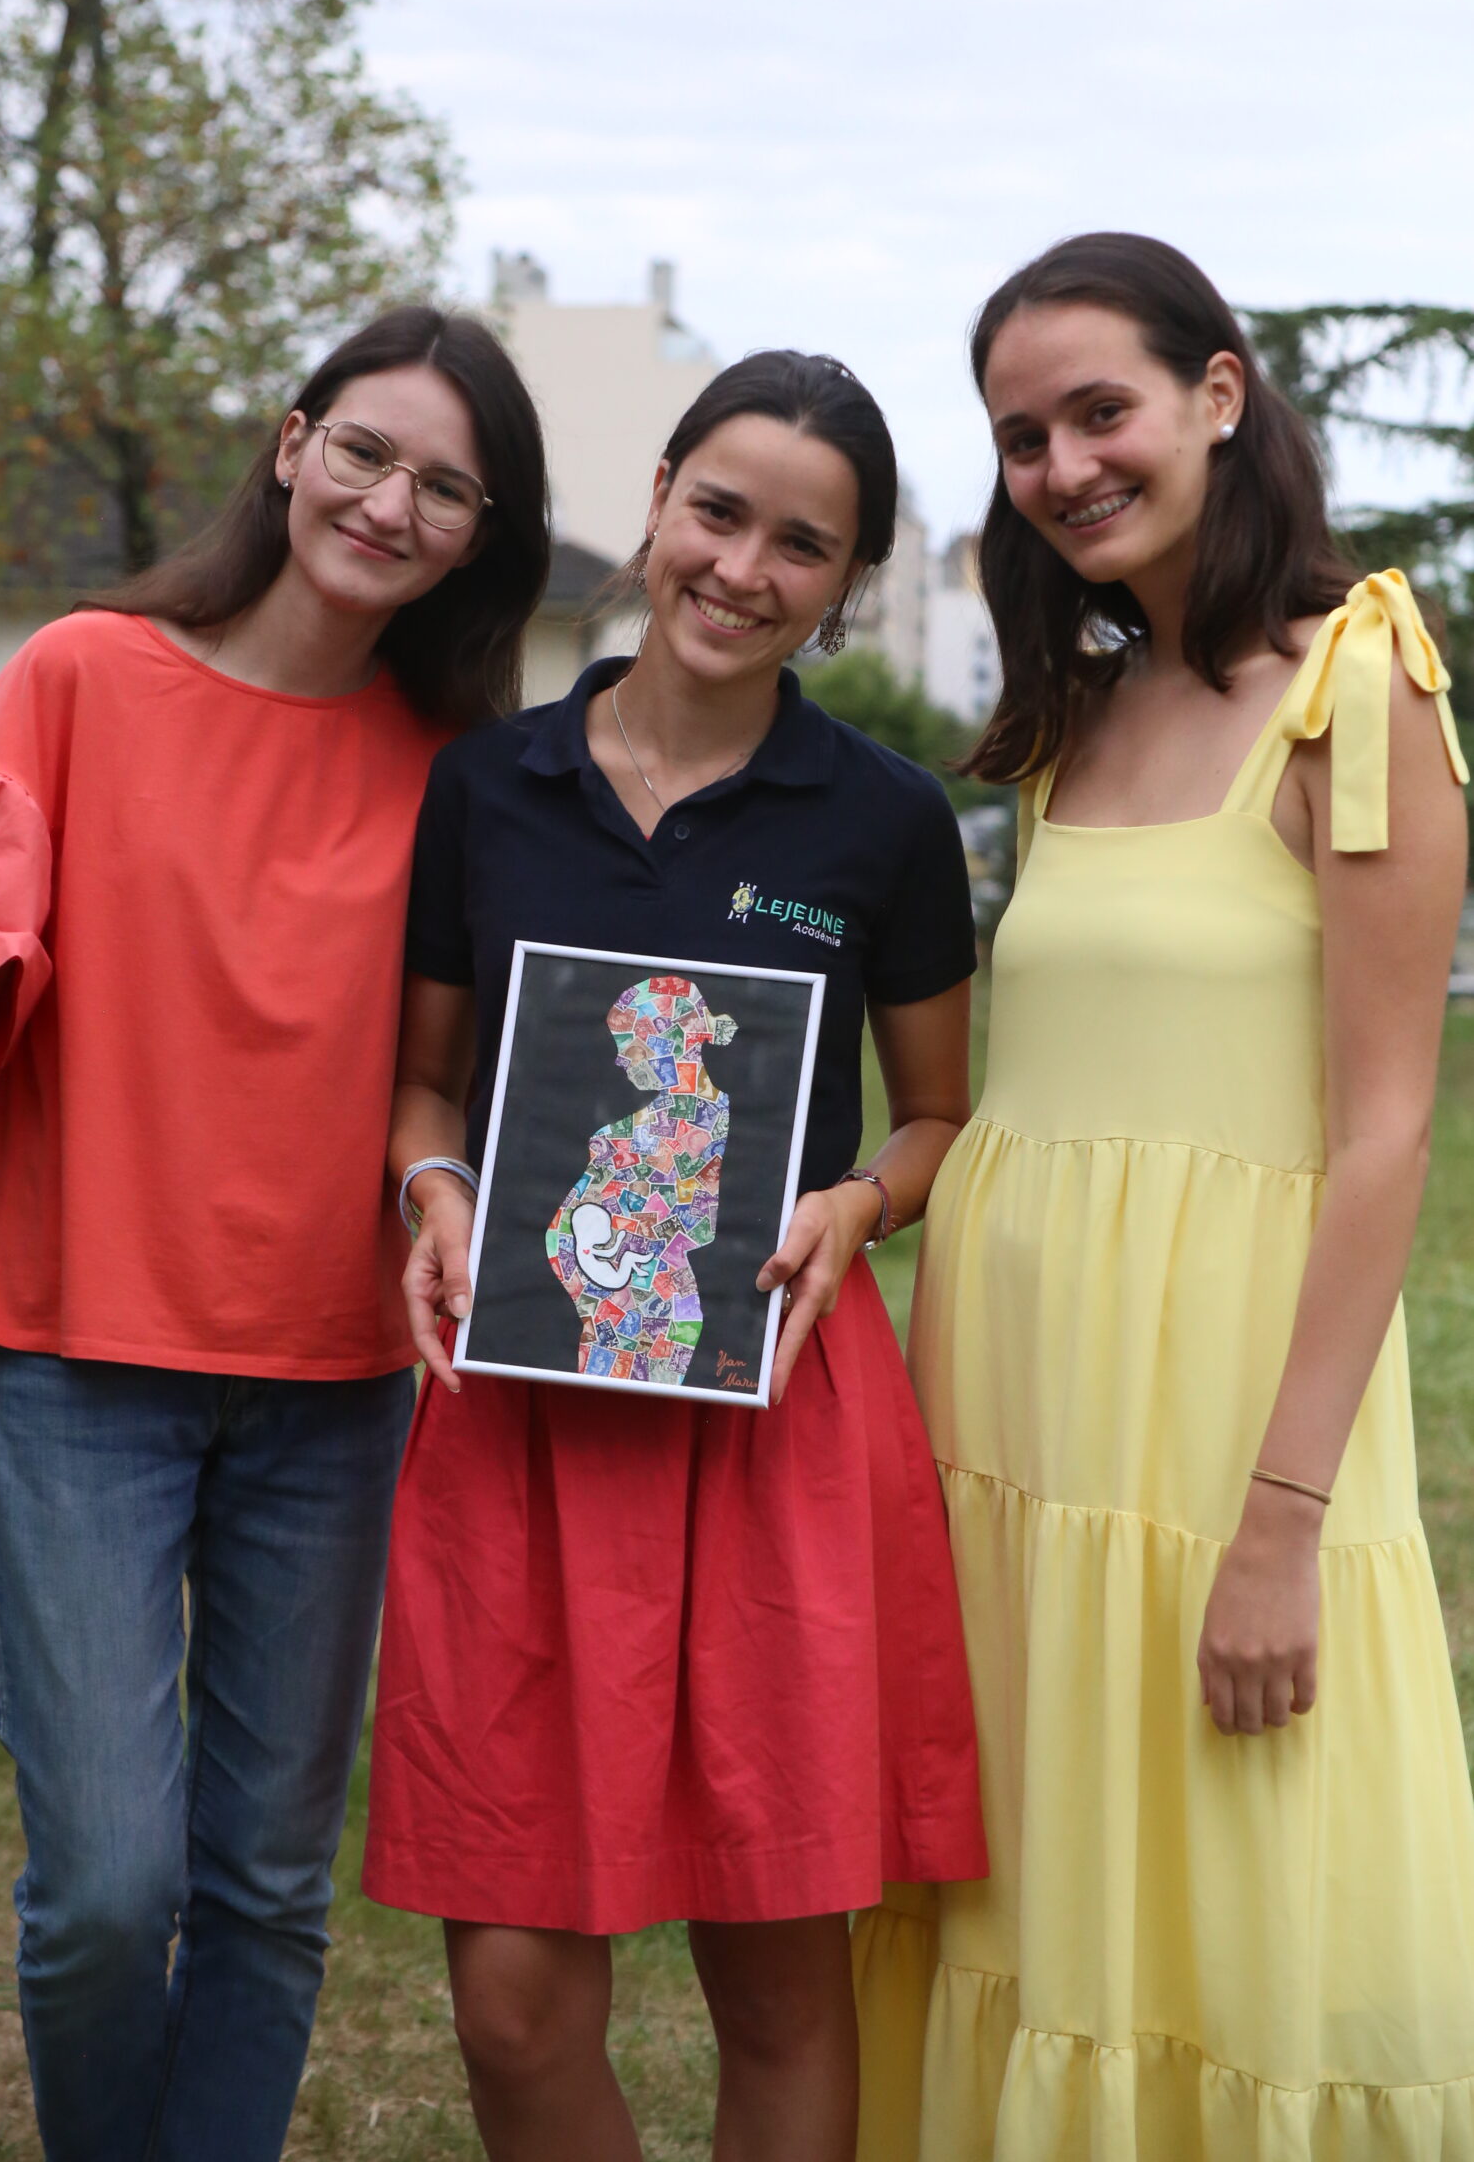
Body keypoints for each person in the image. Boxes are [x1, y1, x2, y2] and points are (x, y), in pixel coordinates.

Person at [0, 307, 551, 2162]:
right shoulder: (83, 676)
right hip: (72, 1370)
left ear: (479, 537)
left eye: (445, 487)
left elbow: (488, 1067)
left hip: (334, 1383)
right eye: (367, 451)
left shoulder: (462, 769)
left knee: (266, 1888)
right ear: (292, 445)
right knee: (104, 1889)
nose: (390, 503)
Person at [851, 234, 1474, 2158]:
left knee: (1234, 1891)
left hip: (1221, 1436)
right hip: (1014, 1416)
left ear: (1218, 393)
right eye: (1021, 436)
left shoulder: (1357, 688)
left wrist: (1282, 1525)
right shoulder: (1076, 715)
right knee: (1034, 1885)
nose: (1063, 465)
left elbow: (1387, 1134)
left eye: (1098, 410)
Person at [361, 350, 989, 2162]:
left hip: (768, 1419)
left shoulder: (881, 819)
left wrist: (859, 1204)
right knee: (512, 2005)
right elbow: (423, 1084)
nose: (742, 569)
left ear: (849, 582)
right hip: (526, 1418)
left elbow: (938, 1119)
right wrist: (434, 1190)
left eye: (804, 545)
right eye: (719, 512)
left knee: (776, 1986)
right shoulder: (490, 787)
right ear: (655, 500)